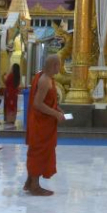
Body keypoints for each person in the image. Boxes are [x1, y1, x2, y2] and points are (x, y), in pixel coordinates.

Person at [25, 55, 65, 196]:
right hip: (41, 123)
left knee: (40, 151)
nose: (60, 68)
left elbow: (48, 101)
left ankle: (30, 182)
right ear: (54, 65)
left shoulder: (46, 78)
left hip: (44, 123)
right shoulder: (44, 80)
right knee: (38, 152)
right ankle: (35, 186)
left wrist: (57, 109)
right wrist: (55, 113)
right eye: (59, 65)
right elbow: (37, 103)